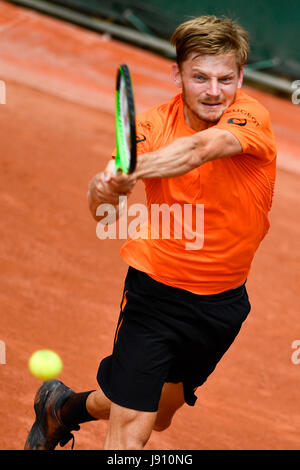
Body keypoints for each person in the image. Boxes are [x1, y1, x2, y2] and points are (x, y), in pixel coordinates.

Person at [24, 15, 277, 450]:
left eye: (225, 78)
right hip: (154, 295)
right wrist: (106, 187)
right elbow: (102, 208)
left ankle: (62, 408)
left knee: (158, 416)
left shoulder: (250, 116)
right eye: (199, 77)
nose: (213, 91)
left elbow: (203, 148)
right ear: (176, 74)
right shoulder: (149, 127)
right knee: (130, 435)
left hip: (223, 304)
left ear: (239, 77)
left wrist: (132, 169)